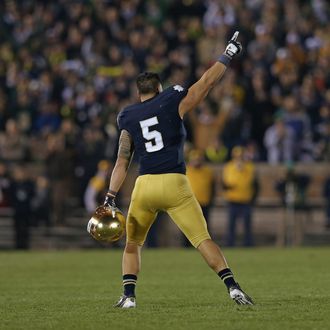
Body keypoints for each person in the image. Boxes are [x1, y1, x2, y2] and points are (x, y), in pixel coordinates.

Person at [104, 31, 253, 308]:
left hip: (145, 186)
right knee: (202, 239)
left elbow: (122, 161)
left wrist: (110, 196)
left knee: (133, 244)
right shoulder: (172, 99)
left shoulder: (128, 115)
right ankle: (232, 287)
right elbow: (206, 83)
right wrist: (228, 53)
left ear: (139, 94)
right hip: (176, 184)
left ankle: (129, 296)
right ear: (159, 88)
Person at [222, 146, 259, 247]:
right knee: (231, 225)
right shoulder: (229, 167)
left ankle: (248, 244)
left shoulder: (250, 167)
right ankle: (230, 244)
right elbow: (226, 183)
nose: (239, 159)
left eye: (241, 156)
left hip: (246, 199)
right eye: (237, 157)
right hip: (232, 199)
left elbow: (252, 183)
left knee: (247, 224)